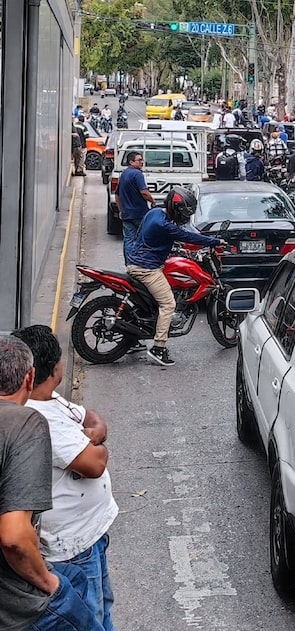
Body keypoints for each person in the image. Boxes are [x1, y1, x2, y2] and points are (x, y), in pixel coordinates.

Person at [12, 325, 118, 630]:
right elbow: (94, 464)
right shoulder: (39, 419)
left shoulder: (50, 401)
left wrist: (95, 432)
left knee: (102, 605)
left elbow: (91, 417)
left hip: (89, 534)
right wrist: (97, 443)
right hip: (71, 548)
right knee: (90, 614)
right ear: (57, 368)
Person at [126, 187, 224, 366]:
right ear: (175, 208)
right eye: (183, 212)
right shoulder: (166, 226)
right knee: (168, 303)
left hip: (137, 261)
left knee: (154, 302)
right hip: (147, 269)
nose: (185, 216)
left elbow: (146, 235)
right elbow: (188, 236)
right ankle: (158, 348)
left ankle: (132, 338)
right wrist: (215, 241)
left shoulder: (154, 213)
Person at [115, 151, 156, 266]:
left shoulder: (124, 174)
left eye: (142, 160)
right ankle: (143, 263)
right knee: (146, 239)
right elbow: (144, 192)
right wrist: (153, 201)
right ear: (131, 162)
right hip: (140, 214)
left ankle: (129, 264)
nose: (142, 162)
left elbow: (117, 194)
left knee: (129, 240)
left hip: (127, 214)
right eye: (139, 160)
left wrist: (121, 210)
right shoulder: (137, 174)